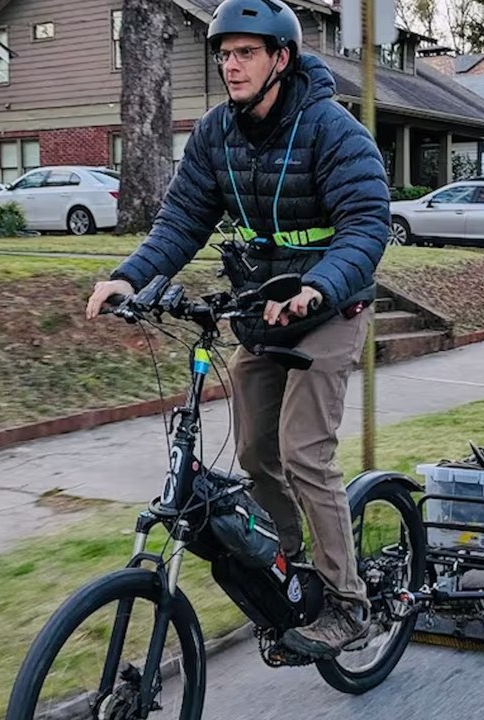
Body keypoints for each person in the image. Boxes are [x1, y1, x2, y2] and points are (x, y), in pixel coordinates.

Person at [85, 0, 390, 658]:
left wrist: (318, 286)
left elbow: (366, 225)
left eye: (246, 52)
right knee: (253, 455)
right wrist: (129, 278)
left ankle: (348, 603)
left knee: (304, 452)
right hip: (262, 310)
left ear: (282, 58)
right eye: (224, 53)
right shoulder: (216, 134)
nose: (231, 64)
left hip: (331, 309)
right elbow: (181, 221)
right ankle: (287, 574)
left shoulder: (331, 130)